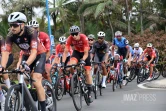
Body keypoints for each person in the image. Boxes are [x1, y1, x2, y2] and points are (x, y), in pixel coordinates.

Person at [1, 12, 47, 111]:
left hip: (39, 55)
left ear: (22, 24)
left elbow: (34, 53)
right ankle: (28, 101)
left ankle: (43, 108)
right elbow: (5, 52)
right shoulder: (10, 34)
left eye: (15, 25)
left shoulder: (31, 32)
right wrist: (2, 66)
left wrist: (26, 64)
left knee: (36, 78)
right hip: (26, 55)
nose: (12, 28)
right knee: (19, 75)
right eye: (10, 25)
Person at [62, 25, 93, 103]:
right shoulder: (69, 38)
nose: (74, 36)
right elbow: (65, 51)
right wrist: (62, 63)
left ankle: (89, 92)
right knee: (71, 65)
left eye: (76, 34)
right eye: (72, 34)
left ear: (79, 33)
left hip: (85, 54)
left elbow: (86, 53)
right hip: (76, 53)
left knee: (87, 73)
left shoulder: (84, 38)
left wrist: (83, 60)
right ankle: (75, 78)